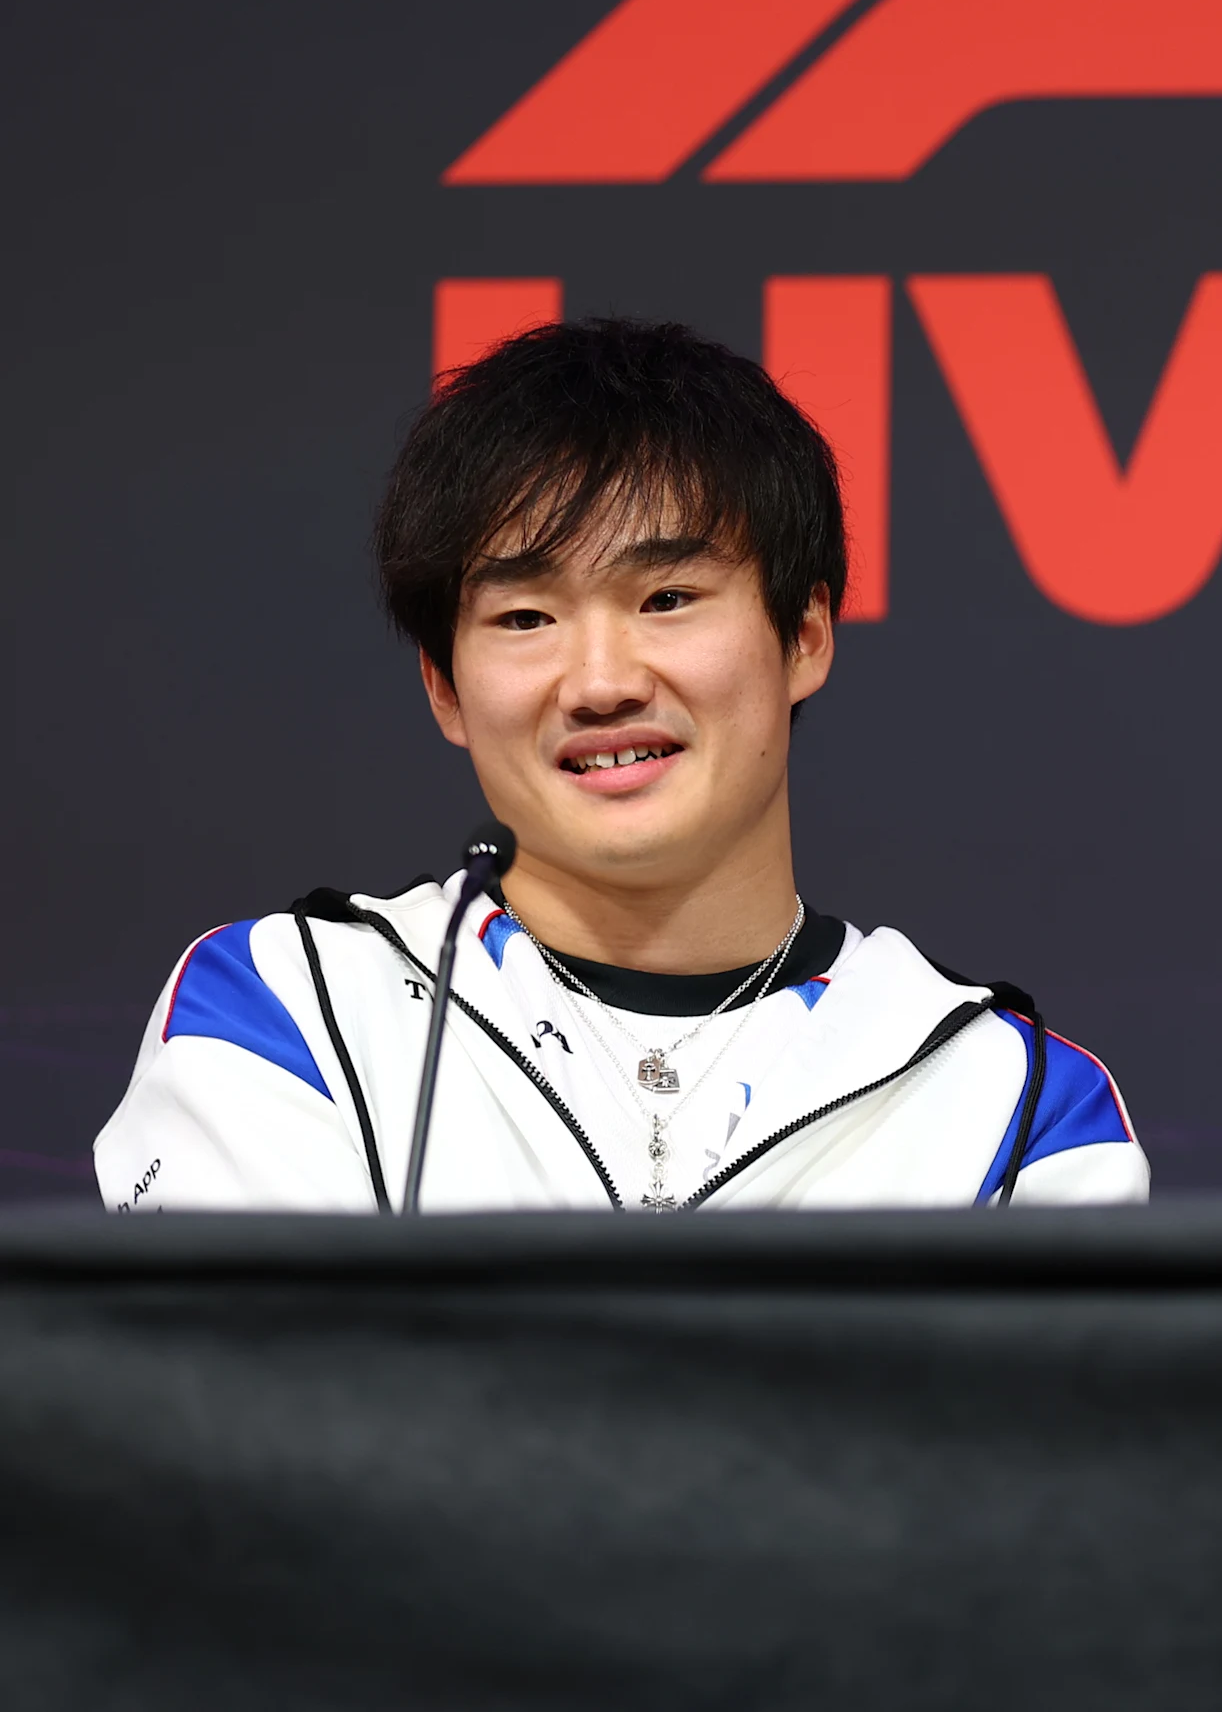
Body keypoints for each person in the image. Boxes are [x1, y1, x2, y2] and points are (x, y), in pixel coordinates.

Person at [94, 319, 1147, 1212]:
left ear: (805, 635)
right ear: (444, 688)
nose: (599, 680)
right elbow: (243, 1431)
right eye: (524, 615)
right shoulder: (289, 1006)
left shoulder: (1012, 1103)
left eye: (665, 599)